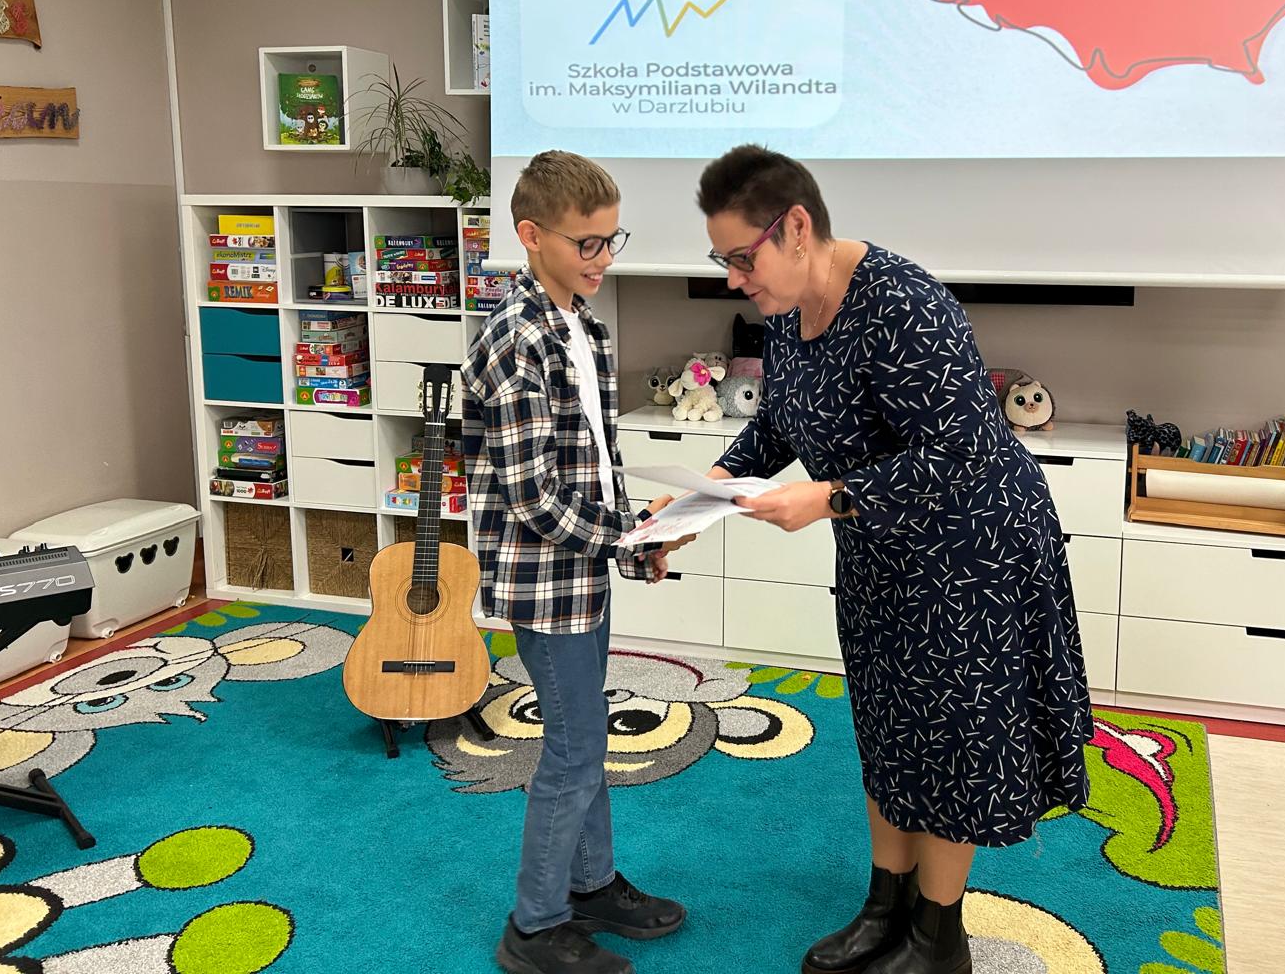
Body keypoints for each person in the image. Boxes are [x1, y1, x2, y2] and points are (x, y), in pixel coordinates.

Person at [695, 145, 1093, 974]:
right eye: (722, 260)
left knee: (952, 742)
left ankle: (938, 939)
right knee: (886, 725)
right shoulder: (787, 309)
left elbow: (959, 453)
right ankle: (887, 907)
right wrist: (708, 490)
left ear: (795, 227)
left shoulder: (905, 304)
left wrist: (829, 497)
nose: (734, 278)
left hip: (970, 549)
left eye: (742, 258)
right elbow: (779, 423)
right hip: (882, 551)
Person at [464, 150, 688, 974]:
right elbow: (534, 499)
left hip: (581, 575)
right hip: (542, 581)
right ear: (531, 236)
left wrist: (636, 539)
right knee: (574, 744)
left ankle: (590, 885)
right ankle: (534, 926)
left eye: (610, 240)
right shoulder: (514, 339)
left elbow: (594, 464)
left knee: (585, 734)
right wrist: (624, 535)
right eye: (585, 243)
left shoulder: (584, 329)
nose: (602, 258)